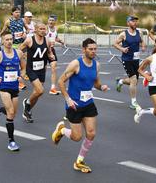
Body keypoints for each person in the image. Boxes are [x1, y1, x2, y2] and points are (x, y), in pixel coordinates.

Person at [52, 38, 109, 173]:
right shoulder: (75, 64)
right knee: (77, 137)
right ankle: (61, 131)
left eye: (95, 49)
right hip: (75, 105)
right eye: (90, 49)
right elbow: (61, 81)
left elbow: (96, 83)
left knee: (91, 133)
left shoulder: (96, 65)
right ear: (84, 50)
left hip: (88, 103)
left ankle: (79, 161)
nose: (93, 51)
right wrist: (67, 99)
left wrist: (102, 87)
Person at [0, 32, 25, 151]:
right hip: (3, 86)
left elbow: (23, 68)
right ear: (2, 42)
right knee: (11, 112)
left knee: (13, 113)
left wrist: (21, 76)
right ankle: (11, 141)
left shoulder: (19, 53)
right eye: (6, 40)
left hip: (15, 86)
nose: (9, 41)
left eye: (10, 39)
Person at [19, 22, 54, 123]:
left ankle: (27, 110)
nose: (44, 31)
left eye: (45, 29)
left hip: (42, 69)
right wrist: (22, 61)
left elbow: (49, 52)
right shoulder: (30, 40)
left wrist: (51, 55)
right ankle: (27, 102)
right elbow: (19, 50)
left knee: (37, 93)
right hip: (31, 69)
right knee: (40, 90)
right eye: (41, 29)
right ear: (36, 29)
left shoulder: (47, 40)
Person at [113, 16, 146, 110]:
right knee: (134, 79)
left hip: (136, 59)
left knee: (134, 82)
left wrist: (143, 47)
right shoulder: (124, 34)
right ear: (128, 23)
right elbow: (115, 44)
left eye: (136, 21)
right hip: (127, 59)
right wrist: (122, 49)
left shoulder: (139, 32)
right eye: (132, 21)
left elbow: (142, 41)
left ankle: (121, 81)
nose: (135, 23)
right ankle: (133, 102)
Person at [0, 6, 29, 90]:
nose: (18, 14)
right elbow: (2, 32)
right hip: (14, 45)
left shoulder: (22, 20)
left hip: (22, 43)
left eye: (19, 12)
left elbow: (27, 29)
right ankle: (18, 82)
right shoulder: (8, 22)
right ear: (12, 13)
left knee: (26, 58)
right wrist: (3, 39)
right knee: (17, 62)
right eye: (16, 12)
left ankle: (23, 75)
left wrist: (25, 34)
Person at [46, 14, 64, 95]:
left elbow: (55, 37)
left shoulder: (55, 29)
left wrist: (60, 41)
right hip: (43, 50)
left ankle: (53, 88)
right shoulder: (45, 28)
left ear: (55, 22)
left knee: (54, 67)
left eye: (52, 20)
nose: (51, 22)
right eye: (50, 20)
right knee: (42, 69)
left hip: (52, 50)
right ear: (48, 21)